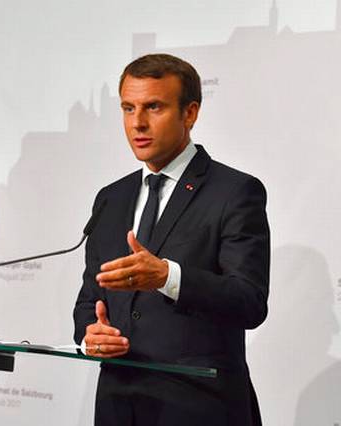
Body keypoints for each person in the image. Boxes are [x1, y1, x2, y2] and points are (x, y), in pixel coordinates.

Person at [73, 53, 269, 426]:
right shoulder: (111, 199)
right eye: (128, 108)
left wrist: (168, 277)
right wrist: (89, 335)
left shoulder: (234, 192)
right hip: (119, 406)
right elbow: (90, 299)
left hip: (200, 407)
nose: (137, 122)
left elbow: (250, 301)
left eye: (154, 107)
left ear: (190, 113)